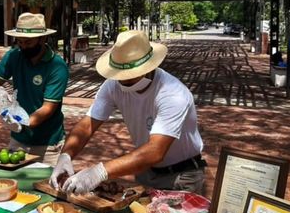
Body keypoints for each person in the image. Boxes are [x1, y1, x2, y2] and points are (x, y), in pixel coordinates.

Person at [50, 30, 206, 195]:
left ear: (148, 67)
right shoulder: (113, 86)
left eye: (130, 76)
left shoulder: (173, 94)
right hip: (145, 171)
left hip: (180, 177)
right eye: (120, 75)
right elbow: (88, 124)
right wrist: (66, 155)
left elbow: (155, 151)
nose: (123, 81)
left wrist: (99, 172)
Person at [0, 13, 69, 166]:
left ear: (42, 39)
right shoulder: (13, 56)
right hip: (18, 140)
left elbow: (47, 108)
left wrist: (21, 123)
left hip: (48, 145)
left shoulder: (57, 66)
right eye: (20, 42)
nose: (23, 46)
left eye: (28, 42)